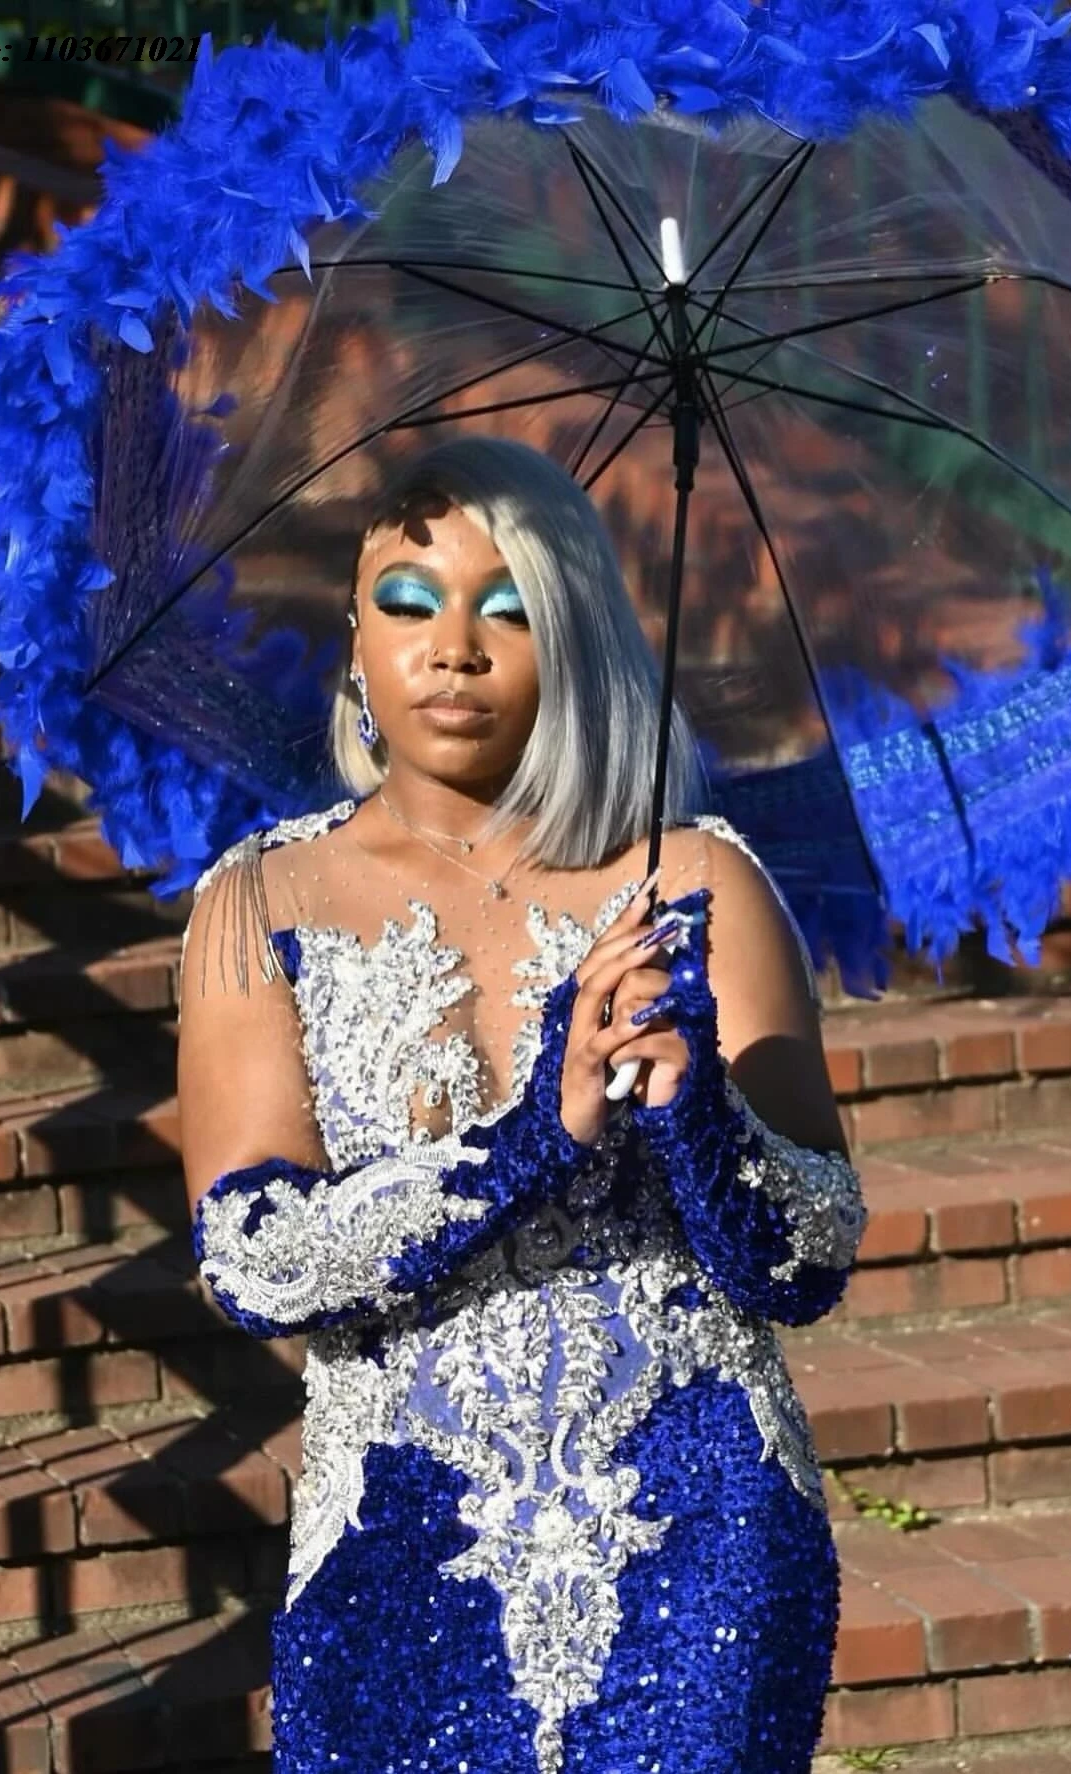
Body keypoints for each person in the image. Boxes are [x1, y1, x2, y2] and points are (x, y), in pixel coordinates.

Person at [176, 435, 868, 1774]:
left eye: (507, 606)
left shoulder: (698, 878)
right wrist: (532, 1139)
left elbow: (815, 1247)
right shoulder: (258, 902)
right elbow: (254, 1256)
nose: (455, 646)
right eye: (410, 600)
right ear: (356, 640)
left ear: (578, 634)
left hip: (698, 1528)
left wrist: (701, 1114)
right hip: (397, 1544)